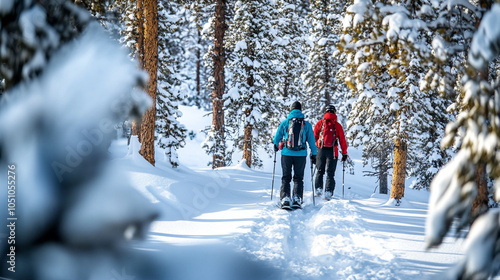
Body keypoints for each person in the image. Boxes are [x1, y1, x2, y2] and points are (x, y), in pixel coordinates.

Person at [273, 101, 317, 209]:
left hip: (286, 154)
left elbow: (276, 138)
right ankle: (297, 199)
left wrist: (276, 145)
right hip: (301, 155)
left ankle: (285, 198)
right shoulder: (306, 125)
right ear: (300, 110)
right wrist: (314, 154)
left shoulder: (285, 123)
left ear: (291, 110)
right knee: (298, 178)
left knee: (286, 177)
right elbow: (312, 142)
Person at [313, 105, 348, 199]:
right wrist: (344, 153)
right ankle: (328, 192)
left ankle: (318, 190)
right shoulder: (337, 125)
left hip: (321, 150)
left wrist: (317, 144)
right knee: (330, 172)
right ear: (334, 113)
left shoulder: (320, 123)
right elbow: (342, 140)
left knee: (320, 171)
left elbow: (314, 136)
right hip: (333, 151)